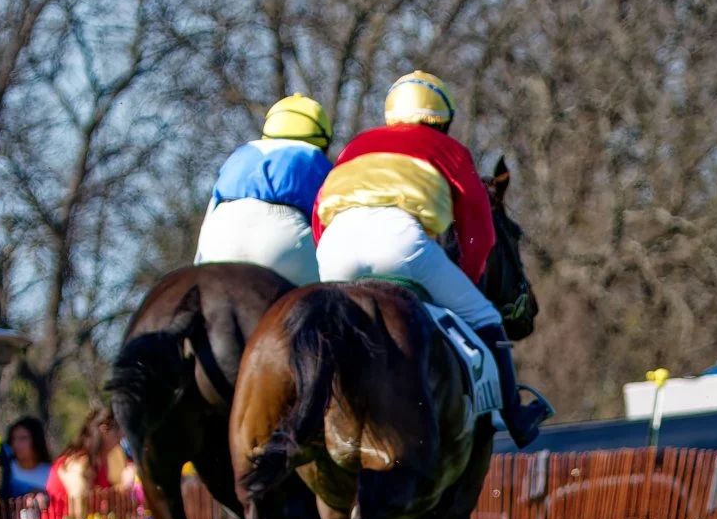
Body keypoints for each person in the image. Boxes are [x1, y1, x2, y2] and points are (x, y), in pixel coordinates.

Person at [312, 70, 551, 448]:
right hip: (400, 244)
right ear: (443, 119)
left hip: (334, 248)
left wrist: (331, 263)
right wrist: (467, 280)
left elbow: (318, 212)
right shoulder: (450, 150)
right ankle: (515, 414)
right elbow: (480, 232)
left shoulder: (355, 146)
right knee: (486, 316)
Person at [193, 94, 335, 286]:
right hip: (282, 244)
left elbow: (211, 212)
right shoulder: (315, 159)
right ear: (323, 140)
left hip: (219, 237)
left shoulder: (241, 153)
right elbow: (328, 227)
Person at [29, 407, 134, 519]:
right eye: (118, 428)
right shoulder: (78, 464)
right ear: (104, 429)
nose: (122, 435)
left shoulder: (103, 462)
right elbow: (78, 513)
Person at [6, 417, 52, 496]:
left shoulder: (51, 472)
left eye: (23, 438)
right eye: (13, 439)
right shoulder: (6, 471)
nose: (16, 444)